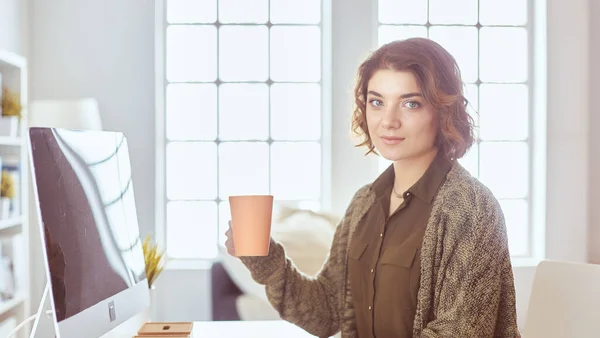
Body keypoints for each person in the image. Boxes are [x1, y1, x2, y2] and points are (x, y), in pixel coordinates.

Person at [225, 37, 520, 338]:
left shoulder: (471, 208)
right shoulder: (365, 202)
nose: (388, 121)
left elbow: (460, 332)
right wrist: (264, 257)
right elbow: (325, 313)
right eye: (377, 102)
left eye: (410, 103)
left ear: (442, 110)